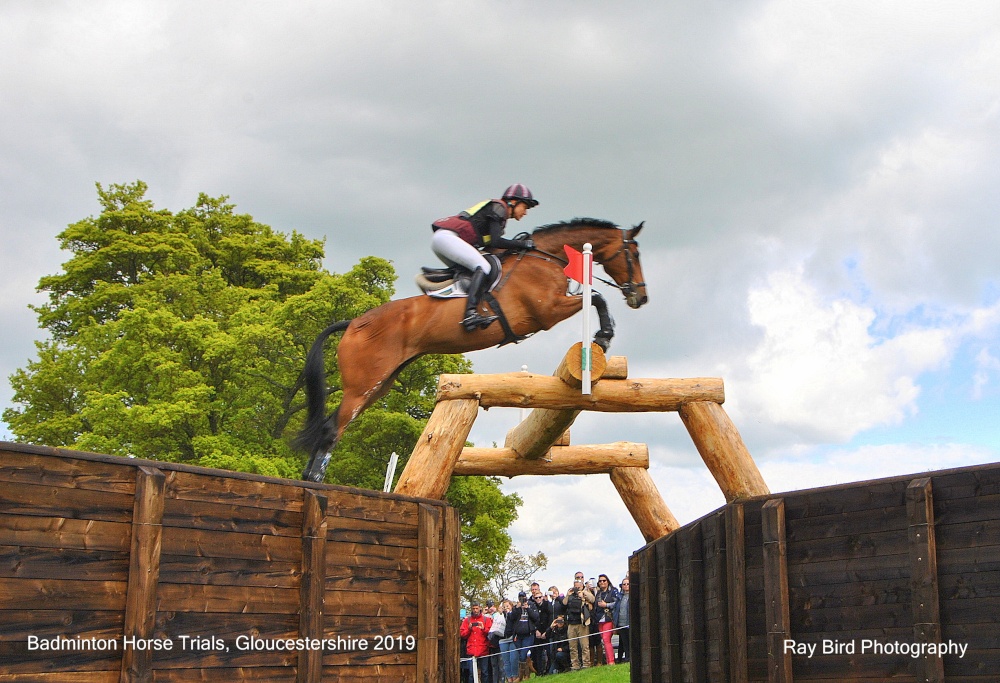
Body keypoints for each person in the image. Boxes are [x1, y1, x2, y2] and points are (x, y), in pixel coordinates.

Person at [430, 184, 538, 330]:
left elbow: (492, 246)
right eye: (525, 207)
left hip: (443, 240)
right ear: (513, 202)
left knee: (472, 270)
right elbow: (496, 241)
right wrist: (522, 244)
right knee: (484, 267)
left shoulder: (499, 213)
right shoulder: (499, 208)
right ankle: (470, 314)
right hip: (447, 238)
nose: (525, 212)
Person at [506, 590, 540, 681]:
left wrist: (528, 608)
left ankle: (521, 677)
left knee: (523, 654)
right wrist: (517, 608)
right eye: (520, 598)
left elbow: (536, 617)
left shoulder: (531, 605)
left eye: (523, 597)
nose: (522, 599)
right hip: (518, 635)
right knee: (522, 656)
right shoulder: (516, 607)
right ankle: (526, 675)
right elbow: (511, 618)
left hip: (528, 634)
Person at [562, 578, 594, 671]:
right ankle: (575, 665)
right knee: (573, 646)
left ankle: (586, 664)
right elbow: (564, 603)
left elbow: (592, 599)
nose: (576, 588)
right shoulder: (570, 593)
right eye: (575, 586)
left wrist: (583, 594)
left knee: (584, 645)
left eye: (578, 586)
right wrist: (568, 595)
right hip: (571, 623)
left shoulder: (585, 592)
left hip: (582, 623)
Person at [461, 600, 493, 682]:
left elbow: (491, 633)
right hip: (471, 649)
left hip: (483, 649)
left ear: (480, 608)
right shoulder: (467, 620)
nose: (475, 610)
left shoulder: (486, 619)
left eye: (477, 608)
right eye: (474, 608)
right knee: (472, 673)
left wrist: (483, 629)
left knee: (485, 672)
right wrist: (469, 629)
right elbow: (462, 634)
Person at [593, 574, 619, 665]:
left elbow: (617, 603)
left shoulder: (613, 591)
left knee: (606, 639)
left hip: (608, 618)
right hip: (599, 619)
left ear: (607, 581)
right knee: (603, 640)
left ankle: (611, 661)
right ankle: (608, 661)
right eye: (600, 581)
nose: (602, 582)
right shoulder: (598, 593)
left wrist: (606, 605)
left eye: (604, 580)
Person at [529, 582, 552, 676]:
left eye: (539, 597)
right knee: (537, 654)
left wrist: (546, 632)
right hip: (536, 633)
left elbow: (551, 617)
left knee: (549, 652)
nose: (538, 599)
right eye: (536, 597)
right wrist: (536, 631)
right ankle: (539, 672)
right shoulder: (530, 605)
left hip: (546, 631)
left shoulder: (547, 604)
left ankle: (549, 670)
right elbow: (530, 620)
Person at [614, 578, 630, 663]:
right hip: (621, 623)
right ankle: (627, 658)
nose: (626, 586)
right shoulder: (619, 596)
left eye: (628, 584)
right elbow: (615, 608)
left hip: (629, 623)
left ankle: (629, 658)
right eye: (624, 584)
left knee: (630, 641)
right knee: (624, 643)